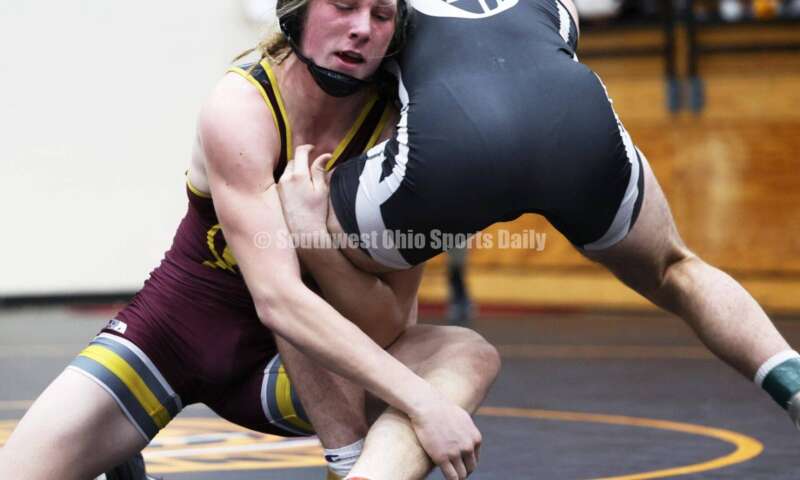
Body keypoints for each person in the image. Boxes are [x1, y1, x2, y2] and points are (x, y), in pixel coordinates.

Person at [273, 0, 800, 477]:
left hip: (452, 143)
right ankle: (792, 382)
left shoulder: (379, 11)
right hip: (574, 117)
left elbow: (348, 74)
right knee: (676, 268)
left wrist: (309, 235)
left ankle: (351, 464)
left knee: (293, 248)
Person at [0, 1, 501, 479]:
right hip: (173, 335)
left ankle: (359, 476)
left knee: (468, 355)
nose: (362, 28)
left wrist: (312, 240)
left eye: (381, 14)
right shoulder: (242, 105)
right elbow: (278, 299)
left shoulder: (400, 136)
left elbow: (390, 324)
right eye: (344, 5)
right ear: (298, 11)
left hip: (303, 366)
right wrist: (424, 402)